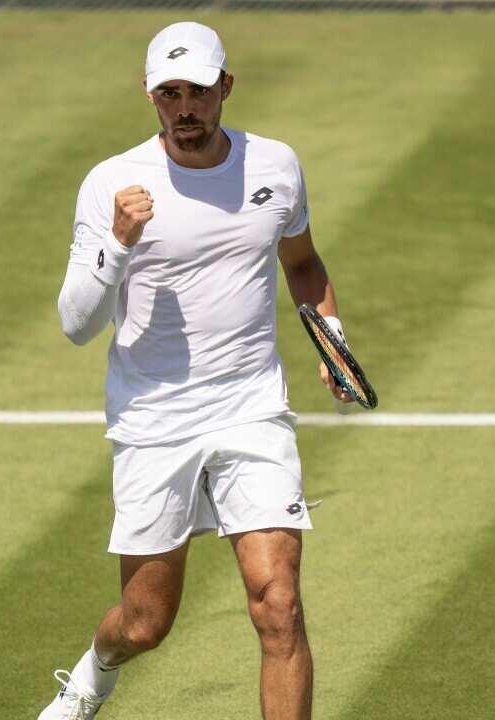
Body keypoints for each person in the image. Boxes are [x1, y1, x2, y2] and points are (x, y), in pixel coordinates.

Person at [42, 20, 351, 720]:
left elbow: (300, 263)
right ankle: (91, 678)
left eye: (199, 92)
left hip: (251, 408)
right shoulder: (112, 185)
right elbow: (77, 323)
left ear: (226, 89)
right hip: (154, 418)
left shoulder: (274, 166)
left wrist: (329, 336)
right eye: (169, 93)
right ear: (150, 95)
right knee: (145, 624)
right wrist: (118, 245)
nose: (184, 109)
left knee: (279, 605)